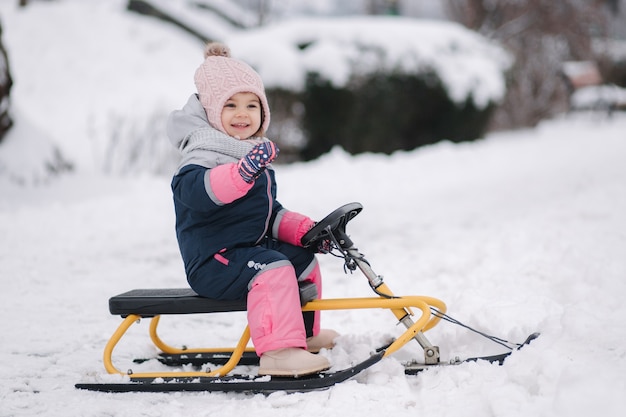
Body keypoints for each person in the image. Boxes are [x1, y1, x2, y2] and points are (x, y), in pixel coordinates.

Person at [167, 42, 338, 377]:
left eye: (251, 105)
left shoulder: (249, 152)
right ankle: (278, 352)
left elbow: (268, 214)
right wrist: (241, 174)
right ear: (213, 112)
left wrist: (307, 232)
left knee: (301, 260)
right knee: (272, 268)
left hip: (246, 250)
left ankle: (303, 335)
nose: (242, 114)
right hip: (213, 261)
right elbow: (198, 192)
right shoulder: (202, 154)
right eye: (230, 105)